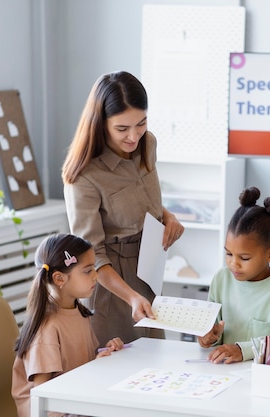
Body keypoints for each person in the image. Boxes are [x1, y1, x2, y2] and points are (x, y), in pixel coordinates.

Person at [61, 71, 184, 345]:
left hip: (148, 273)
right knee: (115, 372)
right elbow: (92, 255)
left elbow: (144, 200)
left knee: (155, 366)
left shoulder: (147, 143)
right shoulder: (84, 175)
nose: (133, 137)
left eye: (141, 123)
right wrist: (130, 296)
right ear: (100, 124)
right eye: (122, 129)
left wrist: (167, 216)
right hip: (110, 287)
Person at [12, 233, 125, 417]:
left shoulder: (78, 312)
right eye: (88, 270)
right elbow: (43, 403)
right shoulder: (46, 330)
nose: (96, 275)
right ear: (59, 279)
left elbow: (79, 363)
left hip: (76, 402)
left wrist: (105, 353)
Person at [198, 186, 270, 364]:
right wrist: (208, 337)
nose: (233, 263)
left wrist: (243, 349)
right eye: (228, 254)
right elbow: (213, 336)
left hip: (267, 380)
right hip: (224, 375)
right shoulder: (221, 280)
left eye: (244, 258)